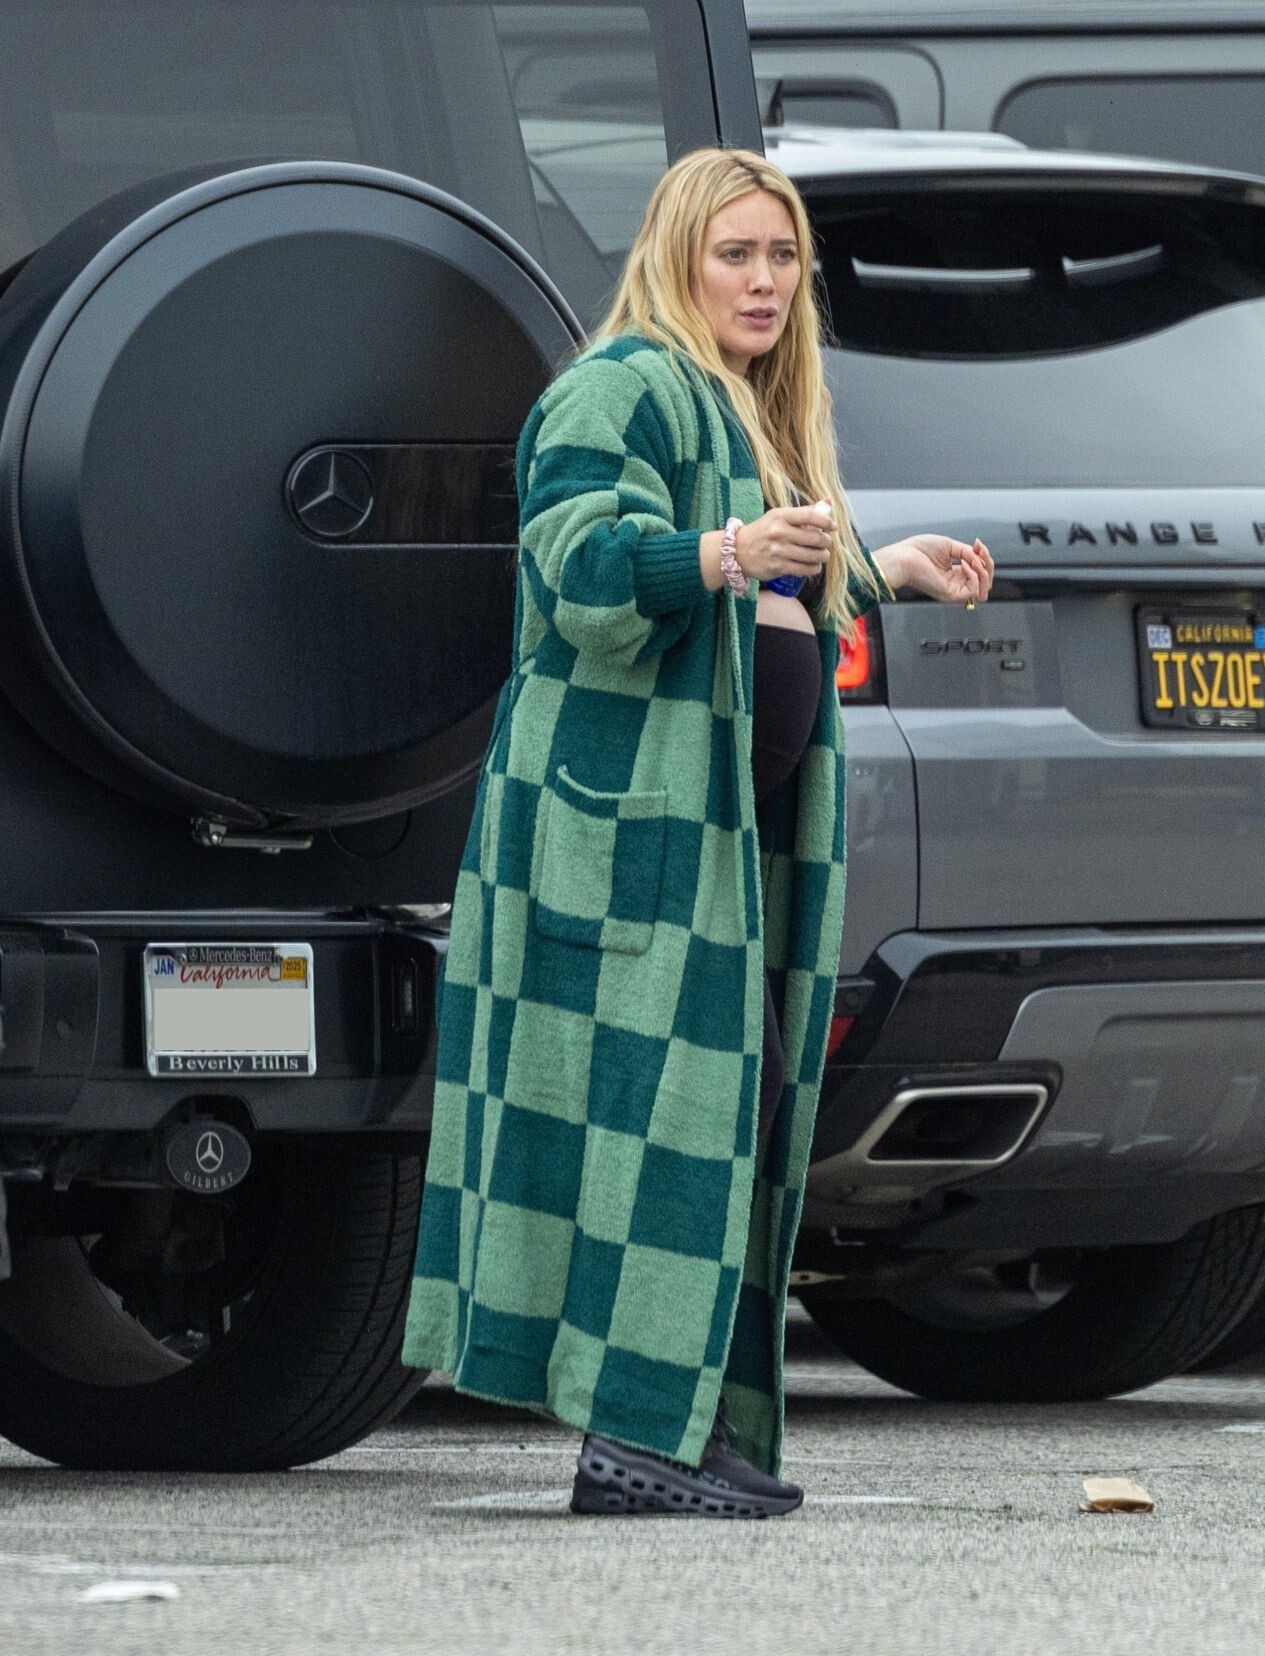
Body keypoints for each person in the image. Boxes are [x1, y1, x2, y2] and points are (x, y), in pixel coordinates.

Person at [400, 146, 994, 1519]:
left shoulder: (743, 406)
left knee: (725, 1117)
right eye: (737, 254)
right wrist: (727, 554)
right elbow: (583, 568)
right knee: (669, 1118)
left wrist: (885, 569)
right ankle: (639, 1443)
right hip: (626, 846)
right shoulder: (616, 386)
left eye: (784, 258)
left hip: (716, 847)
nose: (766, 281)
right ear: (678, 259)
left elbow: (776, 586)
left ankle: (667, 1433)